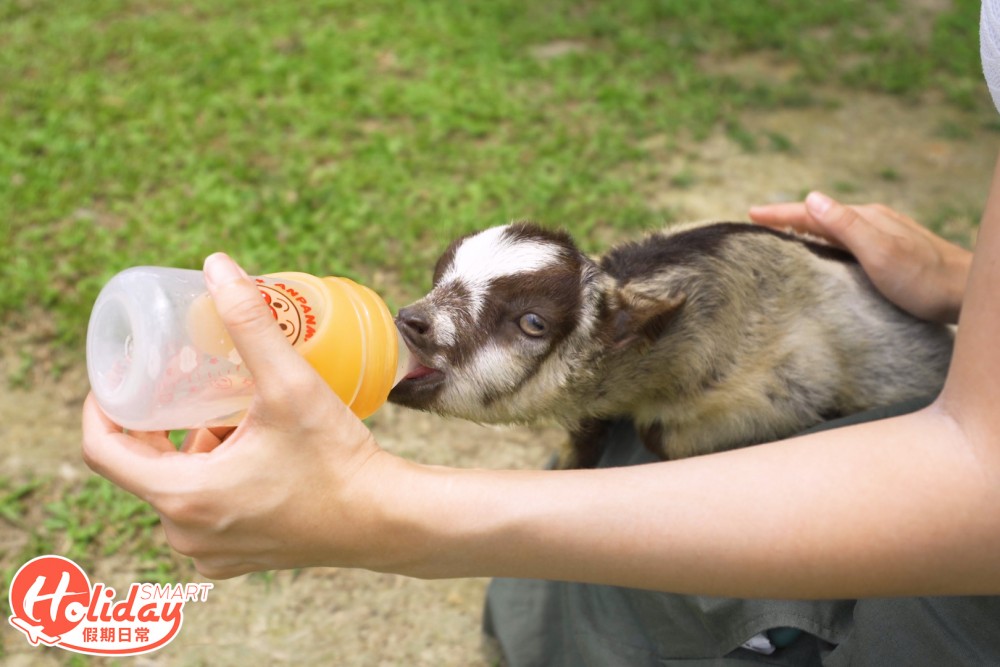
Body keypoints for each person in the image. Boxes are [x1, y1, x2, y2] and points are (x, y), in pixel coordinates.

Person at [83, 6, 1000, 665]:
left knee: (665, 579)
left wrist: (384, 512)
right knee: (590, 540)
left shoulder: (723, 361)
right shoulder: (643, 363)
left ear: (617, 334)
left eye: (525, 323)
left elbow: (977, 476)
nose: (417, 322)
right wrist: (969, 277)